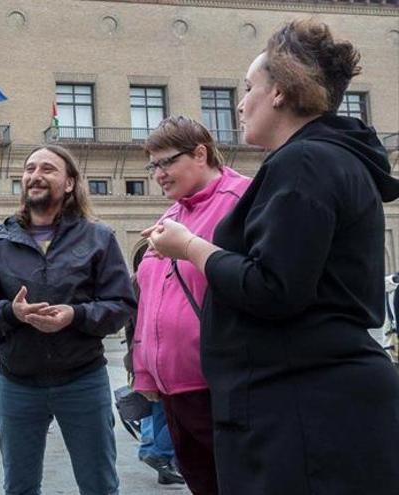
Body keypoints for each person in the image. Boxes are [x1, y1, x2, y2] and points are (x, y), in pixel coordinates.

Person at [146, 20, 399, 494]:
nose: (241, 103)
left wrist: (190, 247)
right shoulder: (331, 159)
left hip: (302, 412)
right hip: (314, 404)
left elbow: (273, 287)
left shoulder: (305, 161)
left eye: (247, 89)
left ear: (280, 92)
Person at [0, 144, 135, 495]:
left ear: (69, 184)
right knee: (19, 487)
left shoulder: (99, 238)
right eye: (30, 168)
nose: (35, 175)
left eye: (47, 169)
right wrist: (11, 313)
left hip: (83, 380)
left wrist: (75, 315)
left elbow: (122, 304)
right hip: (17, 384)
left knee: (99, 485)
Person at [133, 116, 251, 494]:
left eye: (167, 162)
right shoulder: (171, 213)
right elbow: (150, 296)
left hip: (221, 388)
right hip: (174, 392)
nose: (159, 174)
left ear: (200, 154)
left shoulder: (242, 201)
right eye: (153, 166)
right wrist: (145, 370)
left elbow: (254, 283)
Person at [123, 248, 184, 487]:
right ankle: (160, 453)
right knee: (177, 408)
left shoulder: (134, 281)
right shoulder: (159, 278)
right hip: (161, 350)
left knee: (160, 407)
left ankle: (165, 467)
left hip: (142, 351)